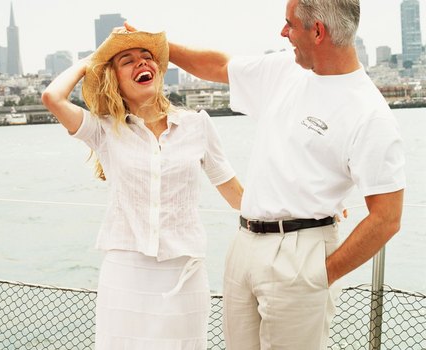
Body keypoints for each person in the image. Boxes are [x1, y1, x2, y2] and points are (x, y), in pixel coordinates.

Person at [125, 0, 405, 348]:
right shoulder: (285, 69)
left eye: (290, 24)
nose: (283, 32)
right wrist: (154, 44)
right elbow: (219, 65)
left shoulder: (369, 113)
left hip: (302, 256)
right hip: (245, 244)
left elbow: (387, 218)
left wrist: (321, 275)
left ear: (318, 31)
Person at [41, 28, 243, 349]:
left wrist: (298, 209)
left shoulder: (197, 125)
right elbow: (53, 98)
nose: (141, 63)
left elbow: (234, 192)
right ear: (114, 79)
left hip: (184, 271)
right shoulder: (104, 130)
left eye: (147, 57)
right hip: (126, 271)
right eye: (127, 60)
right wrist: (91, 61)